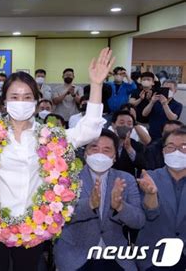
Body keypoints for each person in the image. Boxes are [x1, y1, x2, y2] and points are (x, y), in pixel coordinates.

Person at [0, 41, 113, 270]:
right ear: (4, 100)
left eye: (27, 96)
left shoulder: (49, 137)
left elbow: (89, 129)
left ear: (36, 100)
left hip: (34, 227)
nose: (21, 102)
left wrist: (96, 85)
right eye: (15, 97)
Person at [54, 129, 145, 271]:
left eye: (106, 150)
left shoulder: (126, 179)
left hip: (115, 255)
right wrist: (89, 204)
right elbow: (58, 217)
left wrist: (120, 206)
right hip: (75, 254)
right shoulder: (68, 179)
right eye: (94, 148)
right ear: (85, 153)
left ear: (115, 156)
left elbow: (138, 221)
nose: (99, 154)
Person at [135, 128, 186, 271]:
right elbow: (149, 215)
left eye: (183, 147)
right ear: (163, 152)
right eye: (171, 147)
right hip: (154, 255)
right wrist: (151, 195)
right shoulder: (149, 178)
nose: (177, 152)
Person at [110, 111, 146, 177]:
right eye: (122, 123)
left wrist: (129, 149)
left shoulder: (138, 146)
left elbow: (142, 165)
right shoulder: (108, 144)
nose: (125, 126)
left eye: (129, 124)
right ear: (113, 125)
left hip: (129, 182)